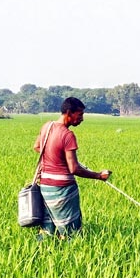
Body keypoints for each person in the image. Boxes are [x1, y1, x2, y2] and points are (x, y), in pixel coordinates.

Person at [33, 97, 111, 237]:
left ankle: (41, 252)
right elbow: (74, 169)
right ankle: (72, 253)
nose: (82, 118)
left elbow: (37, 147)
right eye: (80, 114)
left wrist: (57, 155)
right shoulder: (67, 135)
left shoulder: (47, 126)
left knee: (47, 229)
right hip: (63, 189)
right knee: (71, 232)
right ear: (69, 113)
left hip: (45, 186)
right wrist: (99, 176)